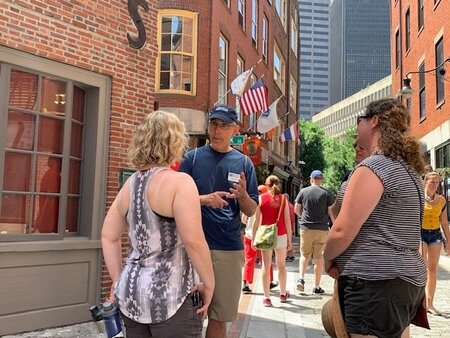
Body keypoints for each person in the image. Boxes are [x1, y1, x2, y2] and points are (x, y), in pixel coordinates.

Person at [102, 111, 215, 337]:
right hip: (171, 297)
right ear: (174, 142)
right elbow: (193, 241)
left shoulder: (130, 184)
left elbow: (108, 236)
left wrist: (117, 280)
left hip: (131, 297)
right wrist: (209, 283)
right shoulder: (180, 182)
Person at [324, 98, 427, 338]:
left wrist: (327, 258)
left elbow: (341, 230)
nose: (357, 125)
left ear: (374, 122)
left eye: (360, 120)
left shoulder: (373, 167)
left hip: (375, 282)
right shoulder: (406, 169)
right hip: (405, 281)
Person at [178, 104, 258, 338]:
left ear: (235, 129)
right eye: (214, 124)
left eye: (223, 125)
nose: (217, 130)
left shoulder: (244, 164)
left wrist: (243, 196)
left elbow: (251, 210)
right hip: (191, 247)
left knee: (219, 317)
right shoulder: (191, 159)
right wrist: (204, 200)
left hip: (228, 249)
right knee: (187, 315)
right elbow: (175, 200)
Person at [252, 175, 292, 306]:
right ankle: (282, 293)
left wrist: (253, 238)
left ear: (266, 185)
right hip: (280, 234)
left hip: (266, 235)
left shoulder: (261, 198)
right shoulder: (283, 200)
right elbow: (287, 221)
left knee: (266, 265)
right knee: (281, 265)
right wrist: (290, 240)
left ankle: (266, 297)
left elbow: (256, 221)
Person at [294, 170, 334, 294]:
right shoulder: (327, 193)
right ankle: (316, 286)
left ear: (311, 179)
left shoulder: (303, 192)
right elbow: (331, 212)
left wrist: (303, 218)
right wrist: (333, 226)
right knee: (319, 258)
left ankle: (301, 278)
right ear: (321, 180)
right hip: (321, 229)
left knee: (304, 255)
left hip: (306, 228)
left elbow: (296, 209)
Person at [420, 171, 450, 315]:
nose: (435, 185)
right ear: (425, 182)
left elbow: (444, 222)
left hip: (436, 234)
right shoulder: (419, 198)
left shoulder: (441, 200)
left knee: (432, 270)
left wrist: (449, 241)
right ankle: (420, 302)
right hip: (421, 233)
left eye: (437, 182)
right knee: (422, 267)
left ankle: (430, 303)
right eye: (432, 182)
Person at [242, 185, 277, 294]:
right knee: (266, 261)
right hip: (262, 235)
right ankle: (269, 281)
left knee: (249, 260)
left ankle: (246, 284)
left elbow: (243, 220)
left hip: (249, 235)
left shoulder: (250, 204)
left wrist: (249, 225)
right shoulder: (265, 204)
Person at [330, 142, 370, 219]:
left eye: (362, 146)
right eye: (355, 145)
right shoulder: (349, 176)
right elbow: (334, 211)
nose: (356, 149)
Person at [283, 193, 296, 262]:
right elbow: (293, 218)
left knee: (286, 242)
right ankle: (291, 255)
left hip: (286, 226)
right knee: (289, 241)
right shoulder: (291, 205)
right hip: (290, 226)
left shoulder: (286, 206)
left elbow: (288, 218)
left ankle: (286, 256)